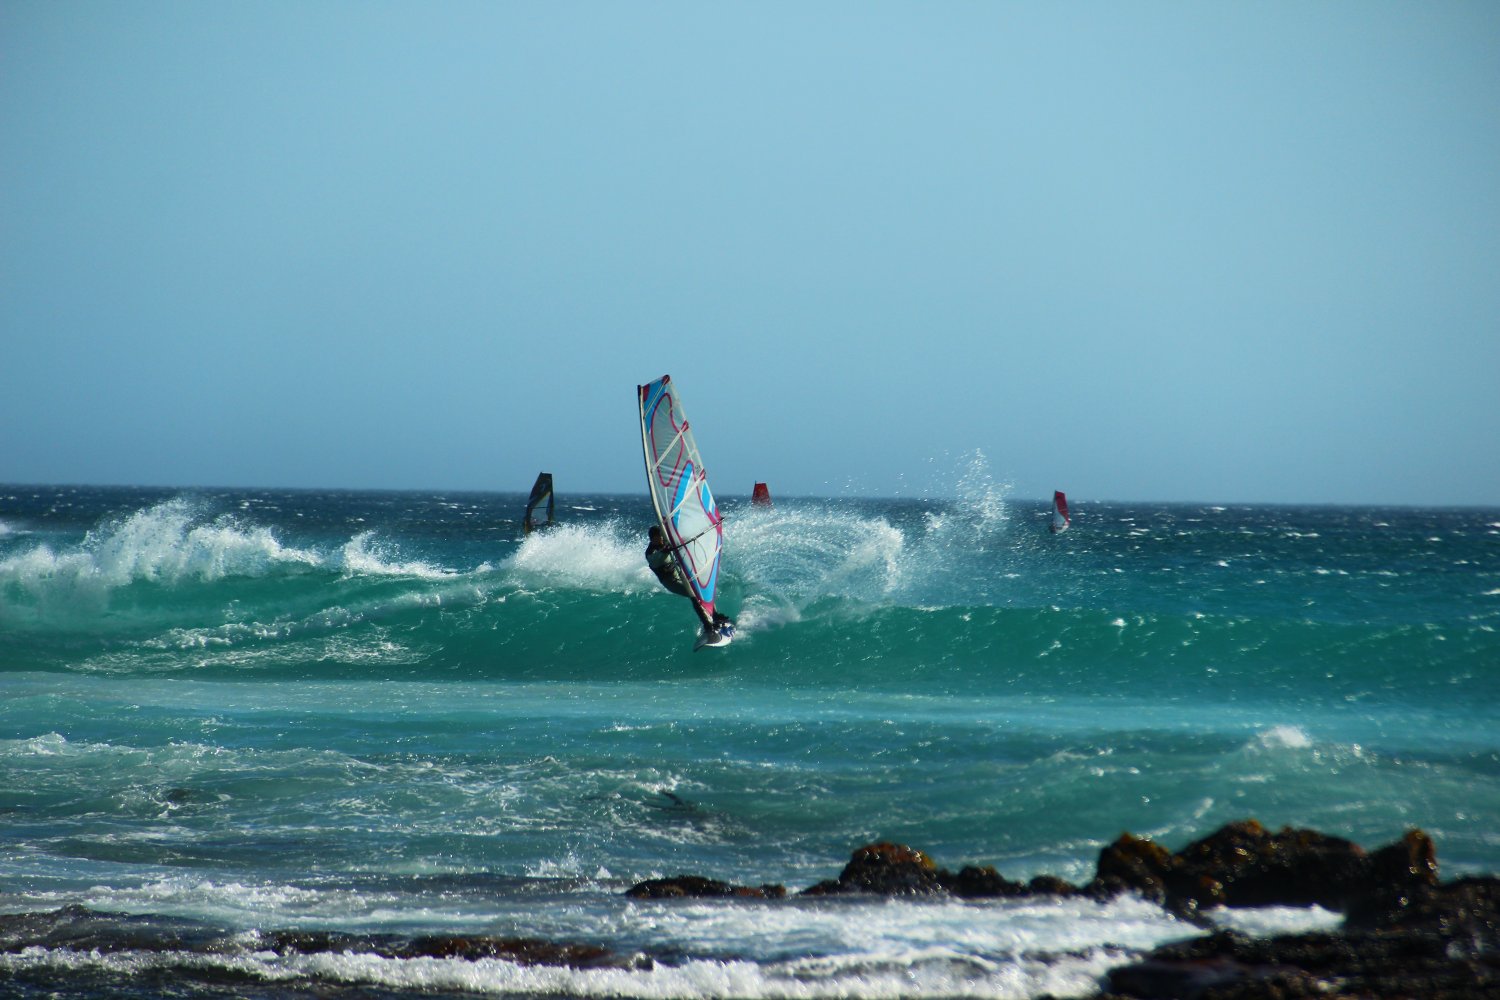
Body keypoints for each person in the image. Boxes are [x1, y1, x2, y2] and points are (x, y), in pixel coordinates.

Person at [646, 525, 732, 635]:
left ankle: (715, 615)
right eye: (660, 537)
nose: (662, 538)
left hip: (680, 574)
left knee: (702, 587)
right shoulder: (650, 553)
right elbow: (656, 559)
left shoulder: (665, 542)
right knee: (695, 595)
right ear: (653, 538)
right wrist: (665, 551)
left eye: (663, 536)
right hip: (670, 582)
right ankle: (707, 624)